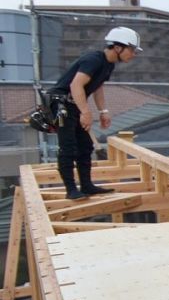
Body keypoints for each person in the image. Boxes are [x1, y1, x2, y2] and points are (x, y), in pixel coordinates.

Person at [49, 26, 142, 199]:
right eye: (132, 49)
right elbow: (75, 85)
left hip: (73, 104)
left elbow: (97, 86)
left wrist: (103, 111)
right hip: (60, 103)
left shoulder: (108, 65)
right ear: (117, 47)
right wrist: (85, 112)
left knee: (86, 145)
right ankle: (71, 190)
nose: (133, 54)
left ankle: (86, 186)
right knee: (68, 147)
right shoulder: (94, 60)